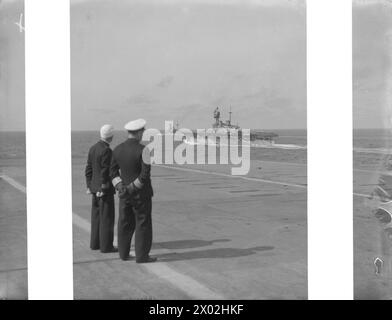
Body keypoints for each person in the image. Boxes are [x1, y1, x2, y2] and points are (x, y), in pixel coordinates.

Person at [110, 119, 156, 263]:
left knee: (124, 224)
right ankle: (142, 256)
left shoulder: (117, 149)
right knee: (142, 224)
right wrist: (131, 188)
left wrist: (120, 187)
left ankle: (123, 254)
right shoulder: (145, 150)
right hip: (141, 195)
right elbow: (144, 175)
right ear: (140, 132)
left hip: (124, 195)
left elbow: (112, 173)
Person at [85, 124, 117, 253]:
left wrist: (90, 186)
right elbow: (105, 172)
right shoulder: (107, 150)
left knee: (96, 217)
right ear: (110, 136)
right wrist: (103, 188)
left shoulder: (93, 148)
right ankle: (106, 246)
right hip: (104, 190)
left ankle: (95, 243)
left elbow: (88, 169)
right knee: (106, 218)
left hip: (94, 189)